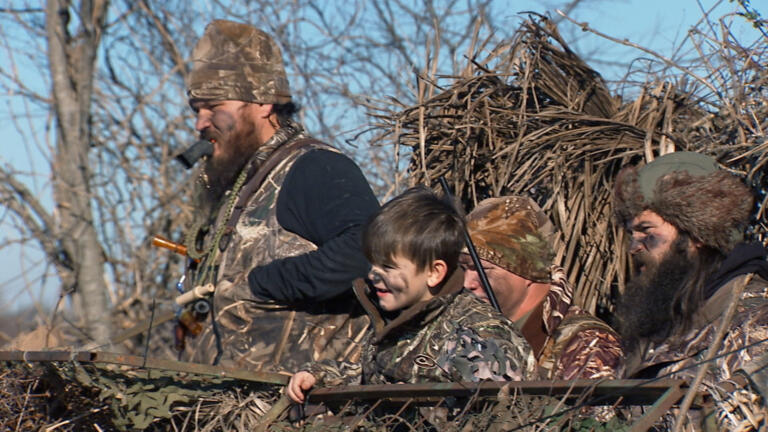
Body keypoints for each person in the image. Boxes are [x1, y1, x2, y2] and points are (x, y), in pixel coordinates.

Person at [177, 20, 379, 371]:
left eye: (214, 106)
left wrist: (262, 284)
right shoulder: (238, 188)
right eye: (197, 110)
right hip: (222, 400)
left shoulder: (314, 167)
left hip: (297, 401)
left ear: (264, 103)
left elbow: (370, 249)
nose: (200, 123)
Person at [287, 187, 536, 405]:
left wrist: (411, 406)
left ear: (434, 273)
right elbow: (373, 377)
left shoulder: (480, 335)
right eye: (373, 263)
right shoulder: (402, 318)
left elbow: (496, 414)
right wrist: (319, 377)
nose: (373, 274)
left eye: (388, 267)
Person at [612, 151, 768, 429]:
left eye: (647, 232)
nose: (634, 248)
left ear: (698, 233)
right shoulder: (660, 321)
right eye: (631, 235)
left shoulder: (756, 322)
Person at [461, 195, 623, 380]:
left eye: (482, 270)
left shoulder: (588, 346)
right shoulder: (472, 340)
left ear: (526, 268)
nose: (467, 283)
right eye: (464, 269)